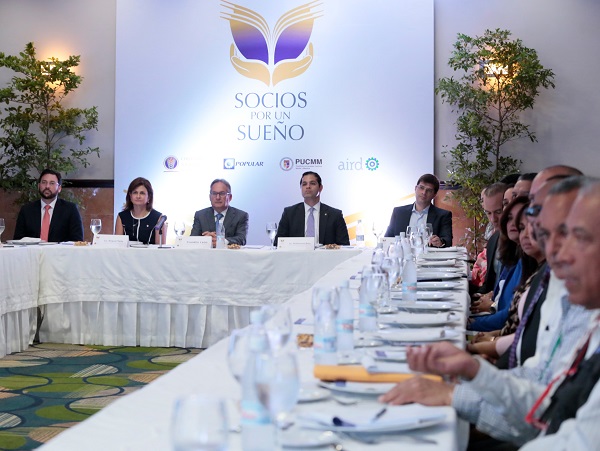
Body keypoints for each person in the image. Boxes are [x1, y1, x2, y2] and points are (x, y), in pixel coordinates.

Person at [379, 178, 600, 448]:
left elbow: (554, 430)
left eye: (576, 238)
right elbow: (543, 407)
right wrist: (471, 372)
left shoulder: (571, 300)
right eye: (547, 234)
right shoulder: (581, 310)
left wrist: (459, 389)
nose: (557, 253)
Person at [274, 171, 349, 246]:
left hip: (325, 257)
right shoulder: (289, 213)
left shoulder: (335, 215)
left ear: (320, 188)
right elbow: (278, 244)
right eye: (304, 184)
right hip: (296, 257)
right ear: (301, 188)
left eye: (312, 183)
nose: (308, 186)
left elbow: (344, 246)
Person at [13, 169, 84, 242]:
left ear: (59, 188)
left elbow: (77, 241)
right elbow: (18, 240)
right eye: (44, 182)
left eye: (52, 183)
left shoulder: (70, 209)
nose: (47, 186)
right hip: (33, 253)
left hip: (60, 253)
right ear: (38, 186)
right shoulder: (26, 210)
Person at [384, 173, 452, 247]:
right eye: (421, 188)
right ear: (415, 188)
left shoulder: (443, 215)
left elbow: (447, 240)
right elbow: (387, 239)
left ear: (434, 195)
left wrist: (441, 242)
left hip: (429, 257)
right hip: (403, 256)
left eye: (429, 190)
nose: (424, 193)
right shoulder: (399, 212)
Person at [191, 179, 248, 247]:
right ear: (210, 197)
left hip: (229, 256)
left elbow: (242, 239)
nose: (217, 197)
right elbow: (192, 239)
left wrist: (221, 241)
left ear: (230, 197)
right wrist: (205, 240)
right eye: (214, 193)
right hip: (205, 256)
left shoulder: (240, 216)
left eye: (222, 194)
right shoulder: (200, 215)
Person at [115, 177, 167, 244]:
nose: (138, 196)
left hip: (151, 254)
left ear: (149, 197)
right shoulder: (122, 216)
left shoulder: (158, 218)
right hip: (126, 254)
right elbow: (118, 245)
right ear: (130, 196)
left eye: (142, 193)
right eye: (135, 192)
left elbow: (160, 248)